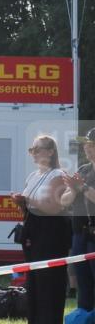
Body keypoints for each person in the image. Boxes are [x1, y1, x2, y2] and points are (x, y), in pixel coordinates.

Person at [12, 135, 75, 324]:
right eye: (32, 150)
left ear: (50, 152)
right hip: (34, 229)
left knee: (50, 280)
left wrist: (29, 199)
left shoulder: (57, 174)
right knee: (35, 279)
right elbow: (31, 207)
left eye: (38, 149)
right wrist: (21, 202)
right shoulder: (33, 176)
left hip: (53, 231)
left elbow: (55, 207)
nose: (34, 153)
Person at [66, 127, 95, 312]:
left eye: (91, 145)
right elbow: (66, 199)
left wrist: (82, 187)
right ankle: (84, 322)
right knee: (82, 280)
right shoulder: (83, 169)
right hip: (79, 232)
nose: (87, 148)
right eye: (86, 145)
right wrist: (71, 189)